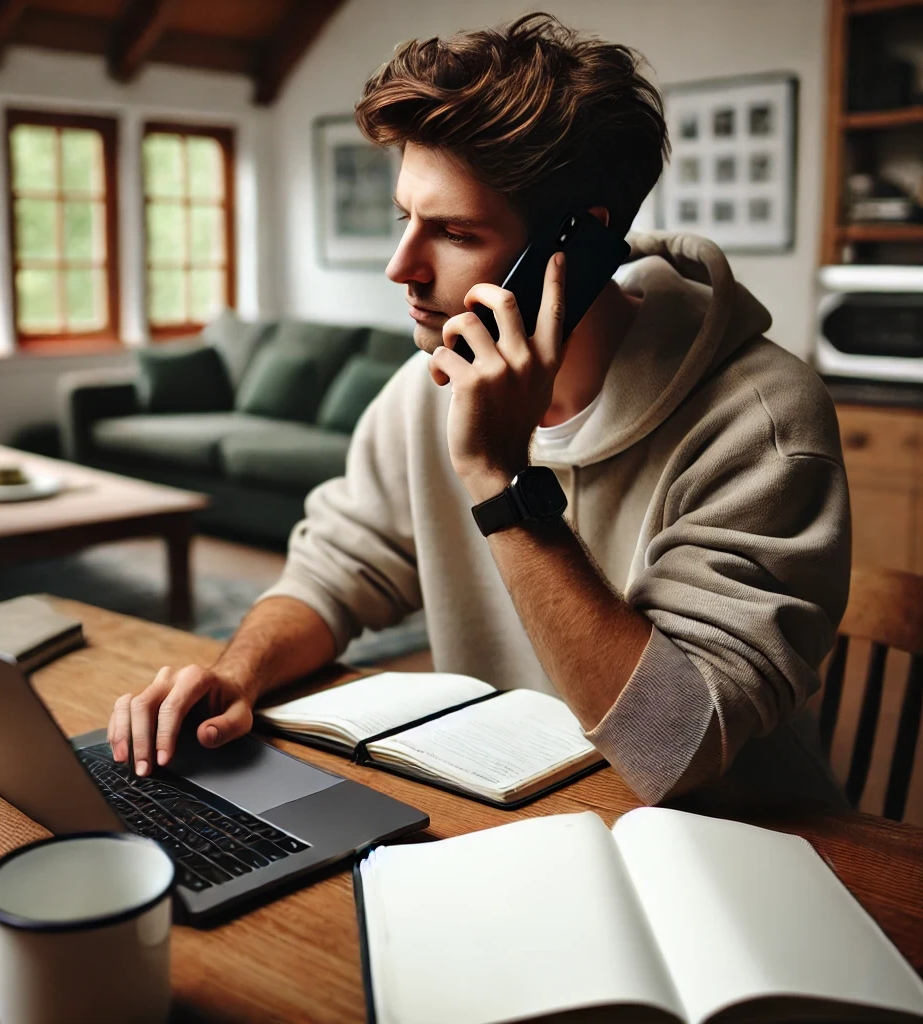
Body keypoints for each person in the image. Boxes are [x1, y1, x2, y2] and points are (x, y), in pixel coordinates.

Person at [107, 13, 851, 806]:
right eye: (406, 219)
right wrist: (235, 671)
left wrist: (503, 480)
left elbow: (678, 746)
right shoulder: (425, 388)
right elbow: (338, 565)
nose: (402, 267)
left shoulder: (762, 421)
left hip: (739, 842)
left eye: (454, 231)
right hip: (516, 811)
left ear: (574, 245)